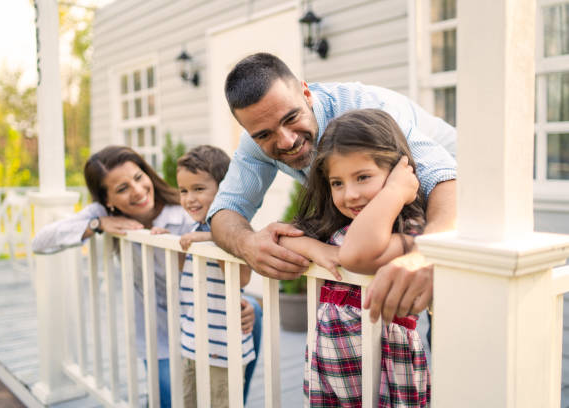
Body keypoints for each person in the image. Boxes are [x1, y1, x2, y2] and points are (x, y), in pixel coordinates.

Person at [207, 52, 457, 328]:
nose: (287, 140)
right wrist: (247, 244)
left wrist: (427, 256)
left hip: (460, 219)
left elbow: (447, 179)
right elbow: (224, 209)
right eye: (264, 135)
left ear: (306, 92)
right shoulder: (255, 142)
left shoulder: (368, 109)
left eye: (291, 118)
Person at [31, 145, 257, 407]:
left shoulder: (187, 209)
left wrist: (243, 302)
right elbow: (40, 241)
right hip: (160, 329)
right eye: (122, 188)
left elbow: (228, 260)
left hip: (203, 318)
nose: (137, 191)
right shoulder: (104, 214)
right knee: (172, 399)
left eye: (138, 178)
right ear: (107, 201)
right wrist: (98, 224)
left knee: (256, 316)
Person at [279, 109, 430, 406]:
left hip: (385, 370)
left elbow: (354, 255)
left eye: (362, 177)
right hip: (331, 367)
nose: (349, 195)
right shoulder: (334, 227)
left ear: (398, 171)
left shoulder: (407, 232)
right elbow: (283, 237)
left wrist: (396, 191)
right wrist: (318, 249)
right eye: (337, 183)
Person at [171, 145, 262, 406]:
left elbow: (243, 279)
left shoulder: (235, 228)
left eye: (199, 189)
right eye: (184, 190)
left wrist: (214, 239)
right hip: (191, 343)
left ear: (224, 189)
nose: (189, 198)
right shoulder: (193, 227)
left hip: (223, 350)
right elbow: (184, 273)